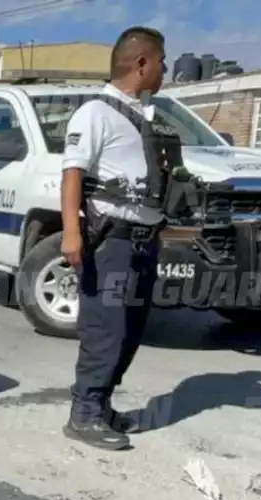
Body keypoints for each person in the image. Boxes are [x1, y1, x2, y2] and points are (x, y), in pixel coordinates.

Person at [59, 26, 168, 451]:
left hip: (144, 240)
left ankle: (101, 407)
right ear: (141, 63)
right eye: (161, 61)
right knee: (105, 330)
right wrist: (71, 233)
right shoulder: (95, 113)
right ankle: (83, 414)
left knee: (131, 330)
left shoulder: (146, 115)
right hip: (112, 241)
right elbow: (72, 175)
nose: (165, 70)